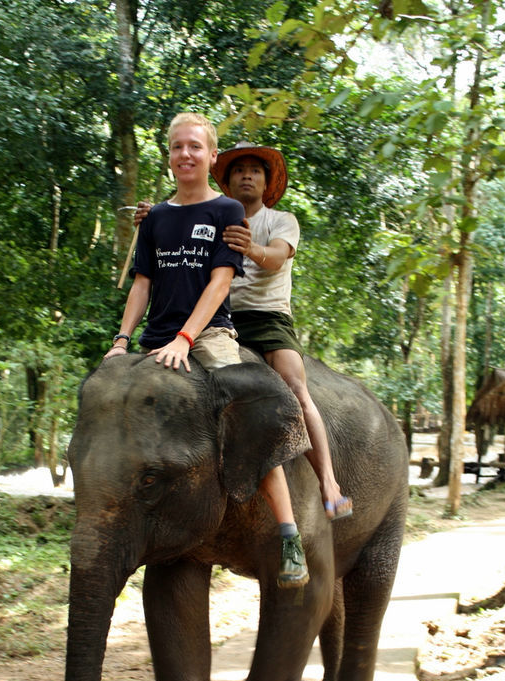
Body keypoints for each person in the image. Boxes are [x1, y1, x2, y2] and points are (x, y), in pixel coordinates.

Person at [104, 113, 308, 588]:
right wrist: (120, 341)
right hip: (156, 340)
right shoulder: (155, 217)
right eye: (177, 147)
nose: (185, 155)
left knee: (252, 416)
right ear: (170, 156)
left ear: (210, 156)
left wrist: (186, 338)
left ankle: (288, 533)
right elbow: (142, 283)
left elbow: (220, 283)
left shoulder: (226, 211)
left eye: (195, 146)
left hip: (210, 337)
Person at [136, 140, 352, 520]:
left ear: (267, 183)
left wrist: (251, 248)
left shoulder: (281, 221)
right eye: (238, 170)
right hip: (214, 317)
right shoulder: (216, 216)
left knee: (295, 387)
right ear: (227, 181)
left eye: (254, 170)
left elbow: (276, 258)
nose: (246, 175)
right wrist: (155, 219)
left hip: (266, 319)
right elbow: (178, 239)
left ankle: (329, 482)